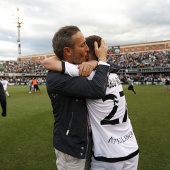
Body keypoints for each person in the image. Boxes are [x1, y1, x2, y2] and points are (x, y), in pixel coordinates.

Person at [43, 35, 139, 170]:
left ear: (88, 53)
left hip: (108, 155)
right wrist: (100, 61)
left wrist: (94, 63)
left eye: (84, 47)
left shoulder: (86, 74)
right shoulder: (113, 74)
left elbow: (47, 62)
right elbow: (113, 66)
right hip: (131, 148)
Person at [44, 26, 110, 170]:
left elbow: (114, 67)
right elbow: (97, 89)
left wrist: (94, 63)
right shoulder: (55, 78)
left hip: (91, 145)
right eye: (82, 45)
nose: (87, 49)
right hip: (72, 150)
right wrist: (101, 61)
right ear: (67, 51)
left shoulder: (81, 65)